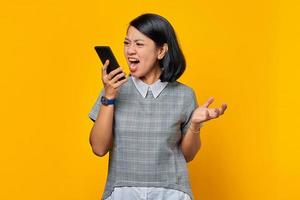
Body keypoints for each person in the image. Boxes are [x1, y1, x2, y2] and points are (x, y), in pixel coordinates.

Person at [88, 13, 227, 200]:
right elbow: (98, 148)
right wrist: (109, 96)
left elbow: (188, 155)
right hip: (122, 192)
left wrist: (194, 125)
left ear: (161, 51)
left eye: (139, 44)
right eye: (127, 43)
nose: (130, 50)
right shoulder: (113, 89)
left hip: (171, 193)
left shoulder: (184, 95)